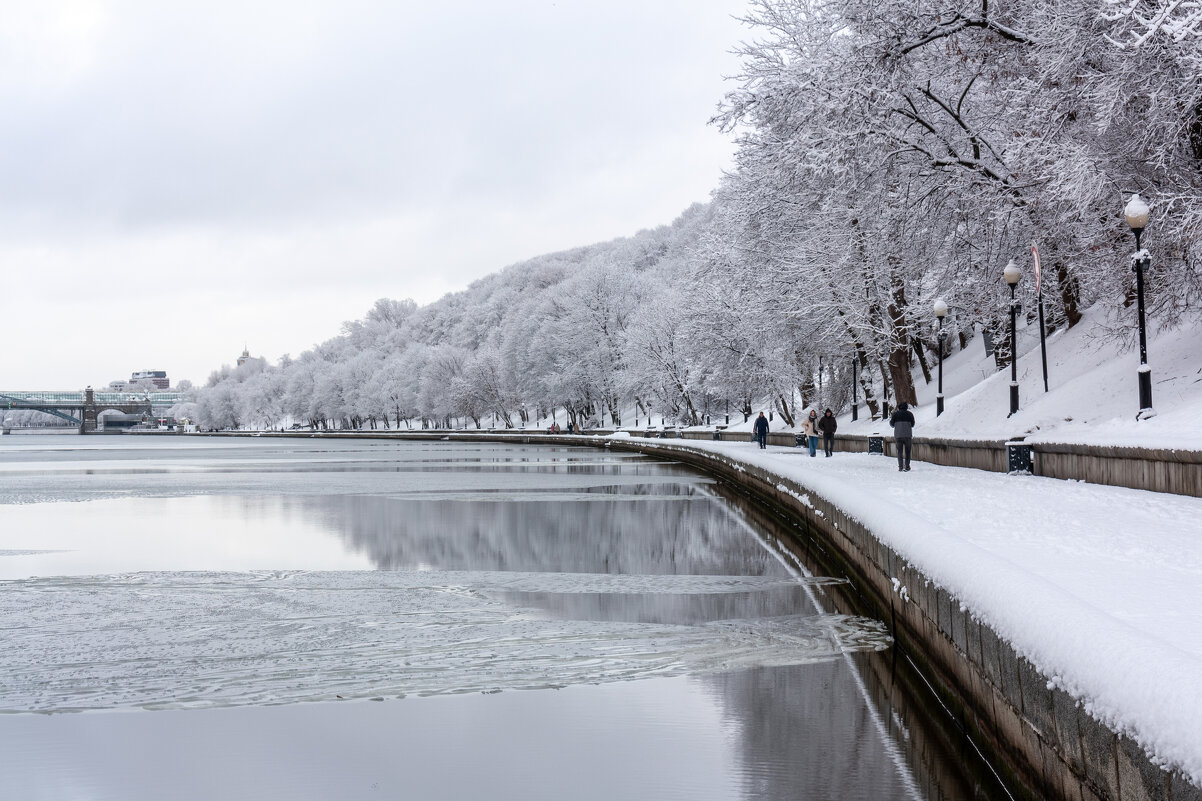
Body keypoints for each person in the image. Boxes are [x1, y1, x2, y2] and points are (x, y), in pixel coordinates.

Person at [889, 401, 916, 472]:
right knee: (908, 451)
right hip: (908, 435)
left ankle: (900, 467)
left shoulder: (895, 414)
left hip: (898, 435)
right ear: (906, 407)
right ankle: (907, 466)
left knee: (899, 452)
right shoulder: (910, 414)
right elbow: (913, 424)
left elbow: (891, 424)